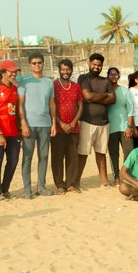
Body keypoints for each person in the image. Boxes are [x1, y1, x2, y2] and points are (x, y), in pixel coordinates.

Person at [18, 52, 57, 198]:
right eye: (34, 63)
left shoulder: (49, 82)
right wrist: (23, 123)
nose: (37, 65)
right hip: (29, 124)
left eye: (39, 62)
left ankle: (41, 186)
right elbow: (20, 104)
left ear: (43, 63)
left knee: (44, 156)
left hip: (45, 124)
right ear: (30, 65)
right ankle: (26, 189)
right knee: (27, 157)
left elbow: (52, 103)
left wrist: (53, 123)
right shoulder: (24, 82)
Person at [77, 53, 116, 187]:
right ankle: (76, 180)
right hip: (87, 122)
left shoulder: (106, 81)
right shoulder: (83, 78)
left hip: (104, 123)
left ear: (102, 66)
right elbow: (87, 96)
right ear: (89, 63)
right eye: (94, 64)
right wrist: (105, 95)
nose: (96, 67)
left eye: (99, 65)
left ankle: (104, 180)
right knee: (82, 153)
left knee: (101, 153)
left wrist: (96, 97)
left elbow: (113, 99)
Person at [0, 60, 22, 200]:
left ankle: (5, 189)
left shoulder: (14, 89)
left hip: (13, 132)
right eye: (11, 71)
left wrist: (19, 129)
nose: (14, 74)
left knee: (13, 161)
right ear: (3, 73)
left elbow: (17, 111)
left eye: (15, 71)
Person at [52, 59, 83, 193]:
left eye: (68, 69)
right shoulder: (53, 85)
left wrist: (72, 123)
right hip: (58, 128)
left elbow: (80, 106)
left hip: (73, 128)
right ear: (59, 70)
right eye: (63, 69)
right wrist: (62, 123)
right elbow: (51, 106)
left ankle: (71, 184)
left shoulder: (76, 87)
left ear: (71, 70)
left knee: (72, 157)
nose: (65, 72)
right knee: (57, 157)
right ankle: (60, 185)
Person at [107, 67, 134, 184]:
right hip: (110, 128)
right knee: (113, 154)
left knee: (128, 152)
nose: (113, 76)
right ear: (107, 76)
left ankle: (126, 175)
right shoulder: (105, 92)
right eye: (111, 74)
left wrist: (129, 127)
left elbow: (130, 110)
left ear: (119, 76)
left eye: (115, 74)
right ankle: (116, 177)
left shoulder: (125, 91)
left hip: (124, 128)